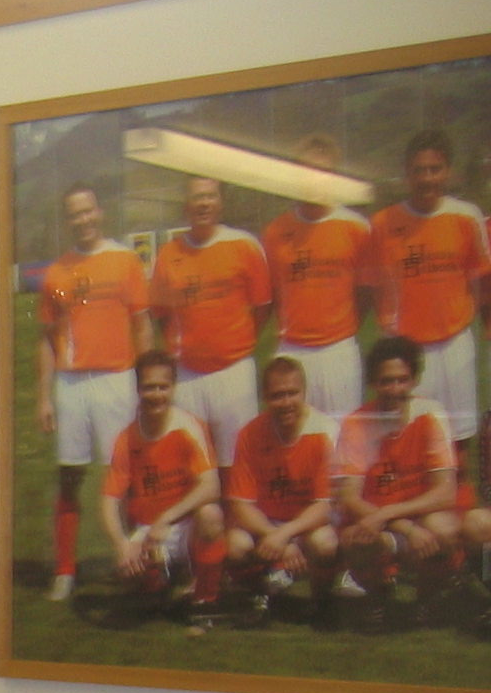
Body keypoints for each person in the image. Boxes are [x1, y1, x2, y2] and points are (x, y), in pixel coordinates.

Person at [36, 184, 152, 601]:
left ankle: (135, 561)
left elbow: (142, 326)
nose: (83, 220)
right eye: (75, 214)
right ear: (68, 220)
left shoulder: (124, 260)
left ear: (100, 212)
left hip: (116, 379)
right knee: (70, 475)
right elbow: (47, 338)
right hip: (71, 384)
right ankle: (65, 570)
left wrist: (146, 384)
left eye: (88, 211)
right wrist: (43, 396)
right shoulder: (57, 273)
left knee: (125, 475)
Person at [333, 334, 491, 635]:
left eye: (402, 380)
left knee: (444, 527)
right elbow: (350, 498)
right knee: (356, 539)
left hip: (415, 520)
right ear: (373, 382)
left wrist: (391, 513)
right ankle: (378, 597)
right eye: (386, 381)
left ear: (415, 379)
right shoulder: (356, 424)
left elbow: (446, 492)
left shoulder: (430, 414)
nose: (395, 389)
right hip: (380, 525)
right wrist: (403, 527)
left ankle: (428, 601)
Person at [370, 129, 490, 492]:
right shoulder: (384, 223)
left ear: (447, 171)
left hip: (454, 342)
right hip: (408, 348)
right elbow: (372, 286)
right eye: (419, 170)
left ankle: (459, 513)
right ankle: (416, 511)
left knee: (459, 437)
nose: (427, 179)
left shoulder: (467, 216)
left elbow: (482, 279)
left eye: (434, 170)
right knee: (409, 437)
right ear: (407, 173)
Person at [151, 177, 271, 481]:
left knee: (238, 464)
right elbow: (160, 313)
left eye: (210, 196)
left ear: (220, 202)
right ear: (186, 205)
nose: (203, 204)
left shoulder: (244, 245)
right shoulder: (168, 254)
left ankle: (235, 513)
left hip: (233, 371)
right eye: (197, 198)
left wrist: (237, 342)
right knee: (193, 467)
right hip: (188, 373)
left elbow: (262, 305)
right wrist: (183, 346)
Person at [100, 349, 226, 620]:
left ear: (173, 387)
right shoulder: (127, 438)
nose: (156, 394)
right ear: (138, 389)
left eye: (163, 387)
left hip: (185, 525)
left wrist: (166, 518)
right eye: (149, 387)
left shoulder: (188, 426)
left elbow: (211, 486)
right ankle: (162, 583)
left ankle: (205, 598)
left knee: (211, 515)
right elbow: (109, 499)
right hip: (149, 530)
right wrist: (121, 544)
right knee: (127, 572)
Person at [261, 135, 375, 419]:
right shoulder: (275, 232)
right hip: (292, 349)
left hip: (338, 350)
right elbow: (274, 295)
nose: (315, 180)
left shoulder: (356, 228)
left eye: (323, 172)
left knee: (342, 435)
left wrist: (338, 326)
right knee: (293, 434)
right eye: (306, 172)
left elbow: (366, 292)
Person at [224, 355, 340, 626]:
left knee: (325, 543)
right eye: (277, 395)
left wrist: (285, 536)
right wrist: (275, 537)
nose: (286, 402)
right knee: (236, 545)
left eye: (292, 393)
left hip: (307, 522)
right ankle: (260, 594)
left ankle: (320, 599)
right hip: (268, 523)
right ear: (265, 396)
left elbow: (324, 505)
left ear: (304, 392)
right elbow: (240, 504)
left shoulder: (325, 431)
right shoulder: (250, 434)